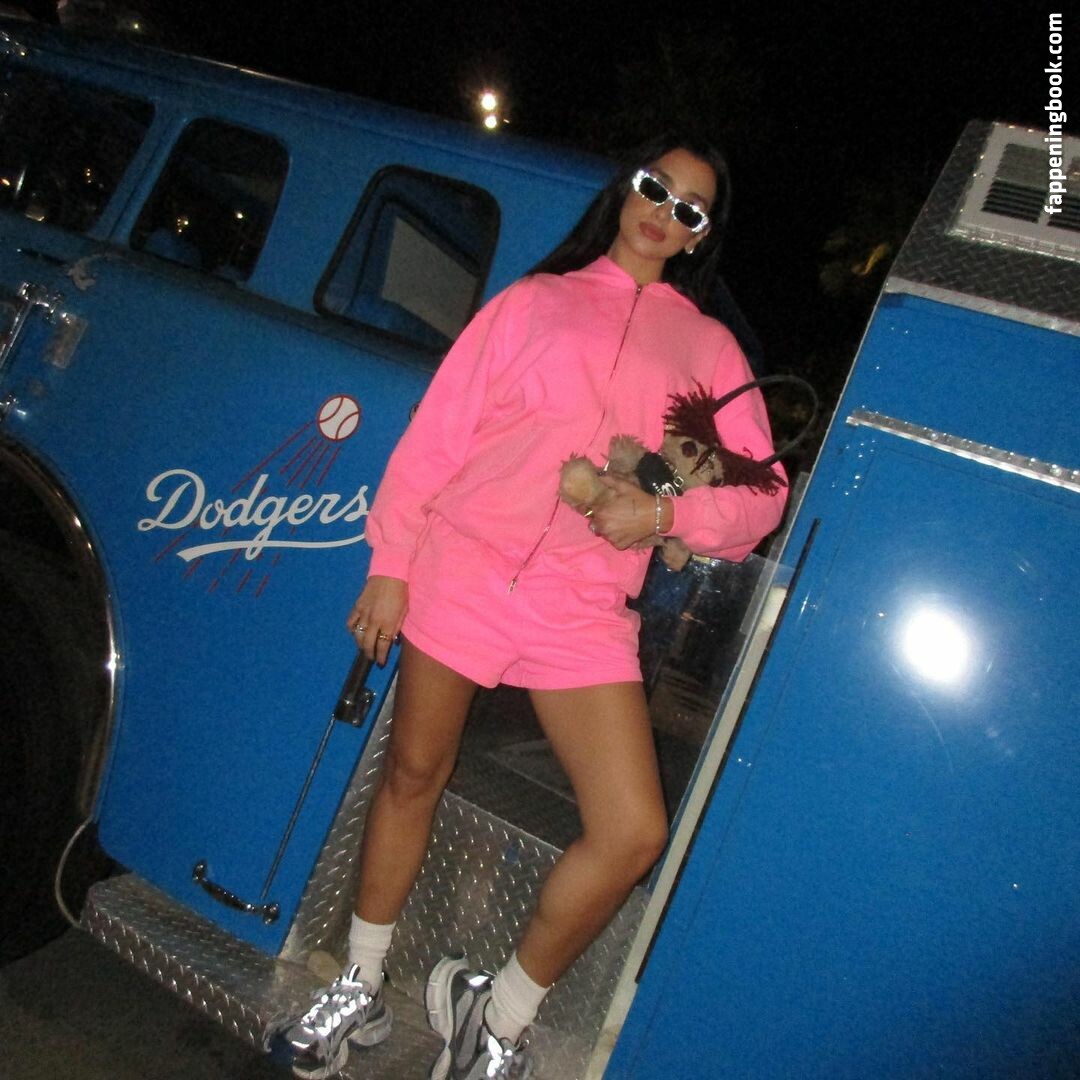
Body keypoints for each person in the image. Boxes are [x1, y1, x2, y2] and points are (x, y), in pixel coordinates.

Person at [268, 132, 787, 1080]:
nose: (663, 212)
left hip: (582, 607)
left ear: (699, 236)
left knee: (633, 831)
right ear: (625, 188)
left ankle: (497, 1011)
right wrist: (392, 560)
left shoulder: (708, 349)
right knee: (413, 774)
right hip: (464, 568)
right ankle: (360, 982)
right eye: (654, 187)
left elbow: (763, 496)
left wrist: (668, 511)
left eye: (689, 209)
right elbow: (439, 433)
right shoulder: (534, 301)